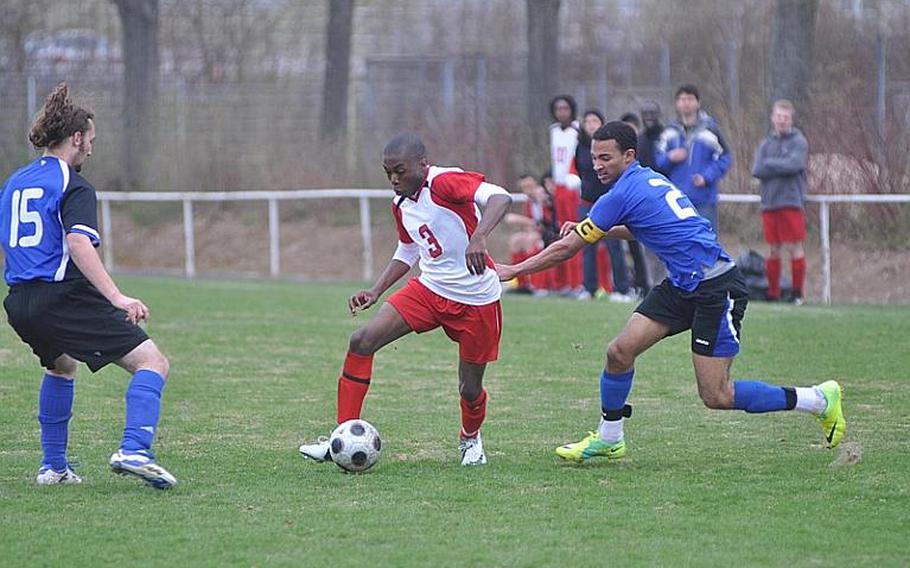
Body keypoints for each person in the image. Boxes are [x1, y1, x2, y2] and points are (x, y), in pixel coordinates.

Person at [495, 121, 845, 463]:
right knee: (619, 352)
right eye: (594, 158)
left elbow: (566, 249)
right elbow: (643, 226)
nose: (597, 165)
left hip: (714, 287)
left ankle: (817, 399)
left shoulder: (622, 192)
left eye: (606, 158)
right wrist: (597, 230)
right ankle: (609, 438)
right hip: (682, 284)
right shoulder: (647, 179)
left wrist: (514, 270)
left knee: (716, 394)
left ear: (628, 155)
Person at [0, 83, 176, 488]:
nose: (92, 150)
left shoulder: (15, 181)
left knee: (61, 366)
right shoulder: (73, 184)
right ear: (76, 138)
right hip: (61, 295)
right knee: (153, 363)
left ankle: (54, 468)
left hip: (19, 303)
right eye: (91, 140)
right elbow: (78, 243)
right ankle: (135, 449)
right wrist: (117, 297)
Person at [299, 133, 512, 466]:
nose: (394, 179)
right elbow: (409, 248)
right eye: (388, 173)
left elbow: (500, 197)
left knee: (469, 389)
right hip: (429, 290)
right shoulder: (400, 203)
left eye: (400, 171)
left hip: (476, 299)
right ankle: (340, 436)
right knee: (362, 341)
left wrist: (479, 237)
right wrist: (376, 290)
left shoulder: (444, 182)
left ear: (422, 165)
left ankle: (470, 439)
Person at [570, 109, 633, 302]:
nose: (591, 125)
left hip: (609, 203)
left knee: (615, 246)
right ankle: (589, 288)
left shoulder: (611, 148)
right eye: (587, 121)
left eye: (595, 121)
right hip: (587, 203)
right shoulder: (580, 147)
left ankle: (622, 289)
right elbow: (579, 171)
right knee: (585, 245)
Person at [752, 99, 809, 304]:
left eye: (785, 117)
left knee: (794, 247)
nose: (782, 121)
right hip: (769, 202)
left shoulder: (799, 141)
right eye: (778, 116)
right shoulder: (765, 143)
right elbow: (757, 169)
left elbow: (794, 165)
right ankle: (773, 293)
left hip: (790, 201)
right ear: (772, 118)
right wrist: (778, 166)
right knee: (773, 249)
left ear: (791, 119)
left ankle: (797, 293)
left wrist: (770, 164)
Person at [656, 84, 732, 231]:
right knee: (679, 244)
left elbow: (724, 158)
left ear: (698, 103)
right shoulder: (669, 132)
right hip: (676, 199)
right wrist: (670, 157)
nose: (686, 103)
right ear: (677, 104)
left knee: (706, 243)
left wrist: (706, 177)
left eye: (690, 99)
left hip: (703, 198)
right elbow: (658, 160)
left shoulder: (710, 130)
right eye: (682, 99)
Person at [548, 95, 584, 297]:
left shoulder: (577, 131)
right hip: (558, 188)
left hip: (573, 187)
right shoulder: (553, 131)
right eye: (558, 108)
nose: (562, 112)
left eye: (565, 108)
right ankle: (565, 282)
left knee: (575, 232)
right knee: (560, 232)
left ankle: (578, 282)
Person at [505, 173, 559, 295]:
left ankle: (538, 285)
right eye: (524, 188)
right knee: (516, 241)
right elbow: (531, 224)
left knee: (531, 240)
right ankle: (522, 284)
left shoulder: (545, 197)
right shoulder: (529, 202)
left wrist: (523, 221)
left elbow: (549, 221)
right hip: (537, 232)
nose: (528, 190)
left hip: (551, 233)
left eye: (530, 186)